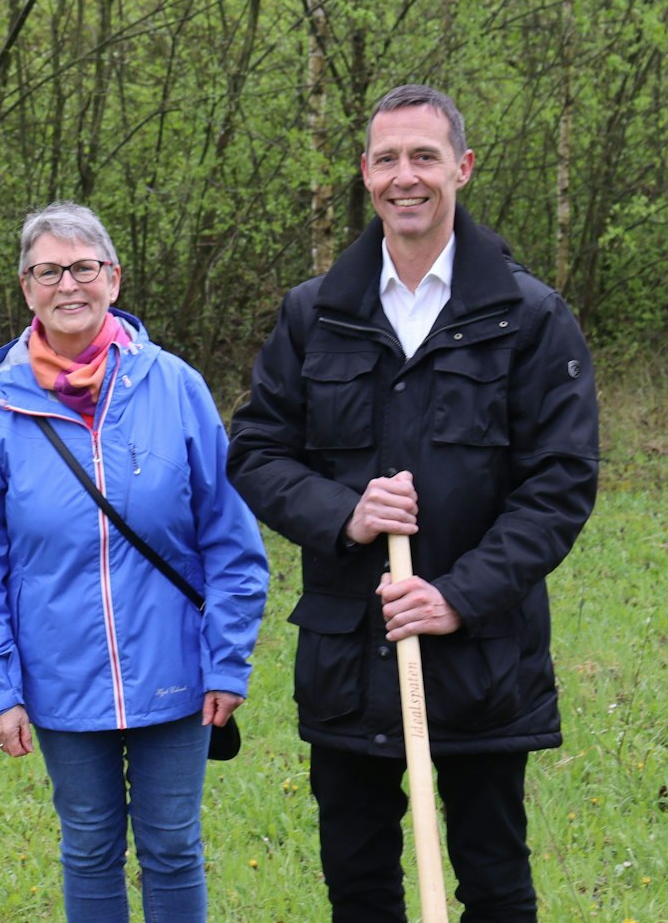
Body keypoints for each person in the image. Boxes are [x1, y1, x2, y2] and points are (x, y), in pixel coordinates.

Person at [227, 85, 600, 922]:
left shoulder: (528, 317)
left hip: (481, 659)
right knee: (359, 888)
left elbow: (562, 482)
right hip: (348, 655)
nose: (407, 176)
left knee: (495, 886)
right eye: (388, 158)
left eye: (425, 157)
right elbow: (254, 451)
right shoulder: (314, 313)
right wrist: (344, 513)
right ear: (365, 174)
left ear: (461, 169)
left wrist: (456, 596)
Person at [0, 201, 270, 921]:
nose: (69, 284)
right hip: (59, 675)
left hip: (174, 670)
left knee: (174, 844)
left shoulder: (175, 386)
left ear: (114, 278)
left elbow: (231, 537)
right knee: (89, 843)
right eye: (49, 270)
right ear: (27, 288)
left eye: (84, 267)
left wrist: (227, 659)